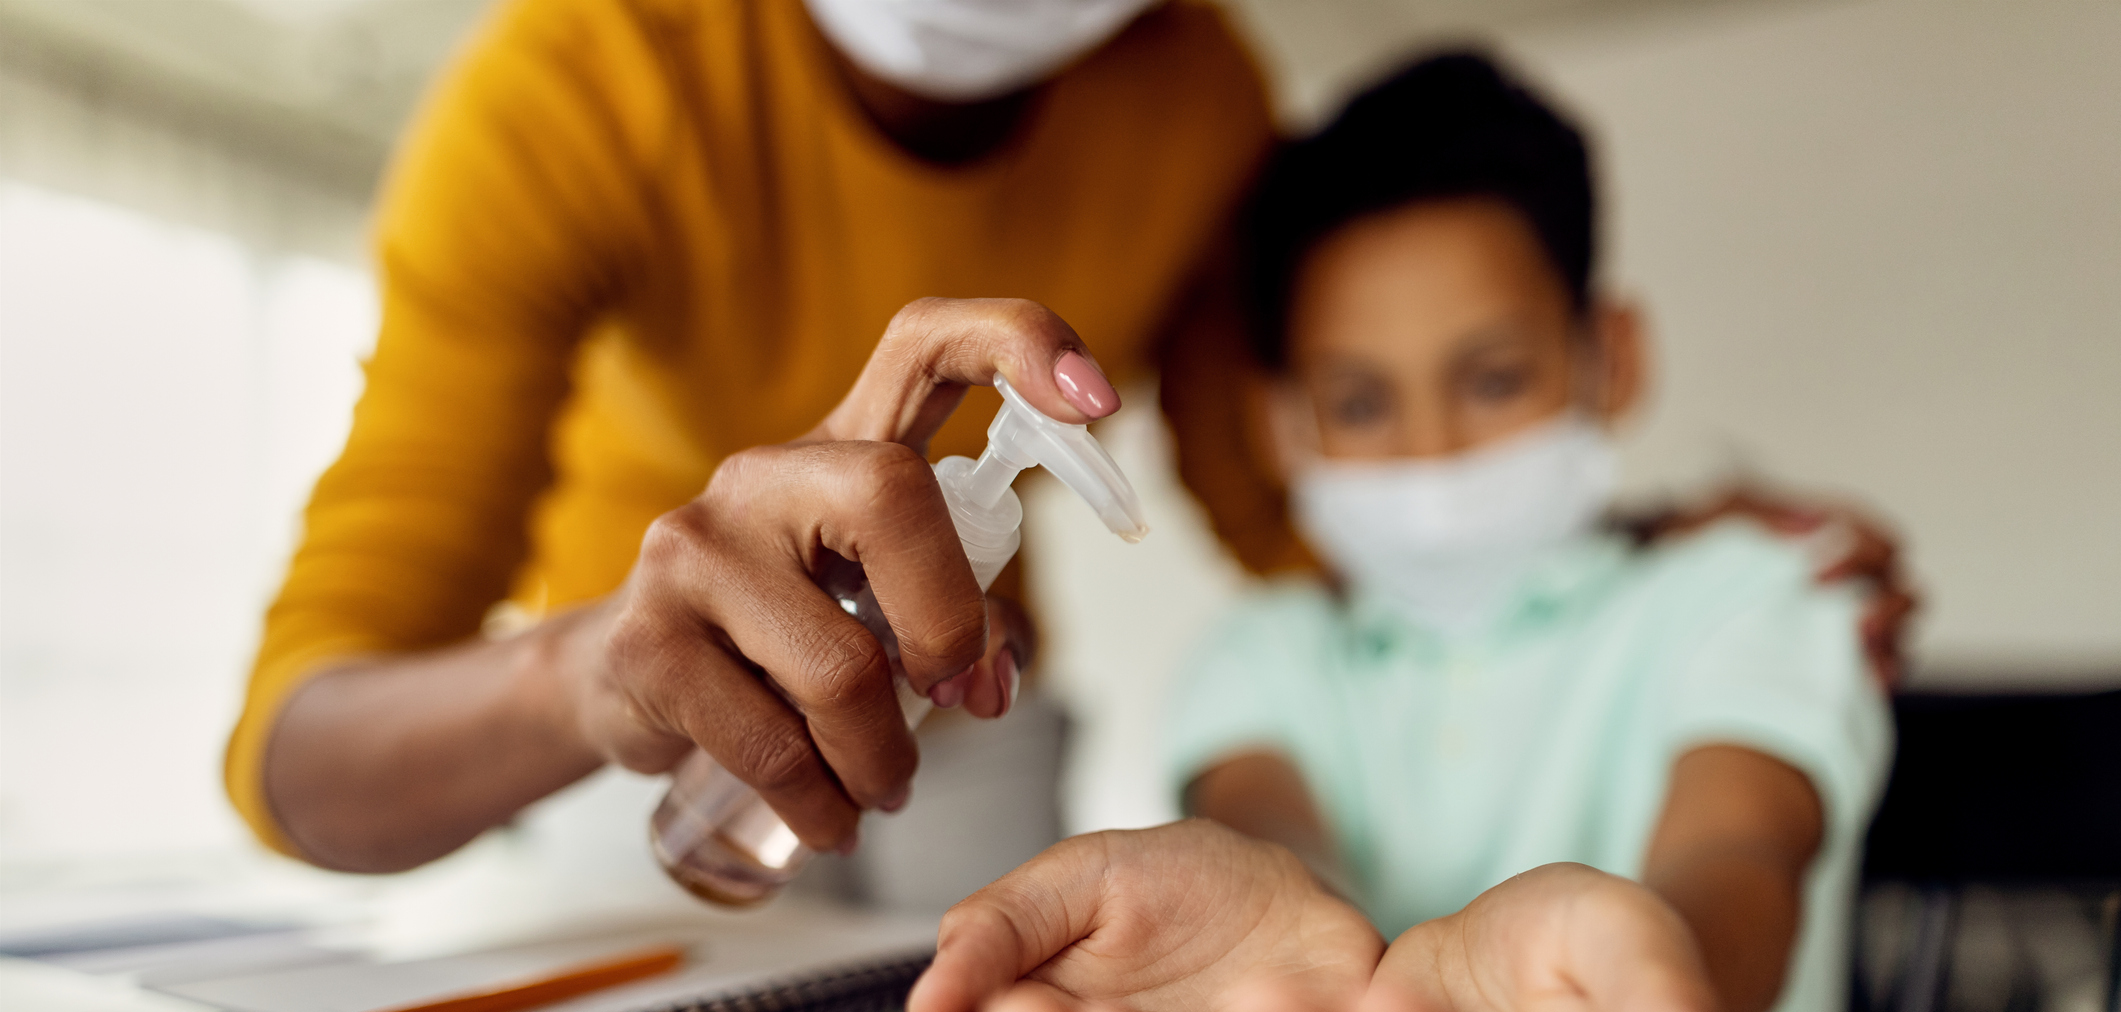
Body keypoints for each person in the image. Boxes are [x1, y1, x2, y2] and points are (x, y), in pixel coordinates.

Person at [225, 1, 1911, 913]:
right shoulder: (574, 88)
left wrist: (1641, 557)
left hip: (972, 699)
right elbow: (303, 753)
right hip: (640, 708)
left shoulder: (1195, 96)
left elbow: (1321, 497)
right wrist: (595, 668)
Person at [897, 52, 1895, 1012]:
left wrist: (1640, 980)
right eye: (1364, 402)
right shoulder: (1262, 657)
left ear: (1610, 357)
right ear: (1280, 424)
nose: (1430, 448)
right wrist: (1282, 985)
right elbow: (1276, 848)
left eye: (1494, 377)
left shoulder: (1754, 596)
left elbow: (1739, 852)